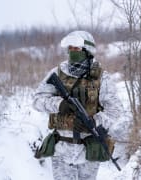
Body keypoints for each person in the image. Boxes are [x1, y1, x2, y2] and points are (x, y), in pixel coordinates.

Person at [33, 30, 122, 180]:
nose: (72, 52)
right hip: (61, 149)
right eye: (71, 48)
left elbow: (115, 109)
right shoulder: (57, 73)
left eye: (77, 49)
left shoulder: (101, 77)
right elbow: (37, 101)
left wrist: (95, 121)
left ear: (87, 51)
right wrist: (59, 104)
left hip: (89, 150)